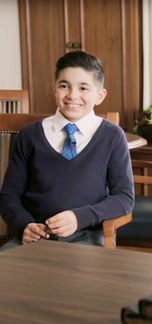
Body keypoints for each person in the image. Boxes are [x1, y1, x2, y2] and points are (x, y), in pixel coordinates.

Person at [0, 51, 134, 249]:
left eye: (83, 88)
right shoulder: (29, 136)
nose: (72, 95)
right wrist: (24, 226)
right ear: (54, 89)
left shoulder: (112, 137)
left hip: (86, 239)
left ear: (100, 95)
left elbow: (124, 198)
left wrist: (79, 218)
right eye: (64, 86)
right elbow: (8, 195)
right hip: (32, 239)